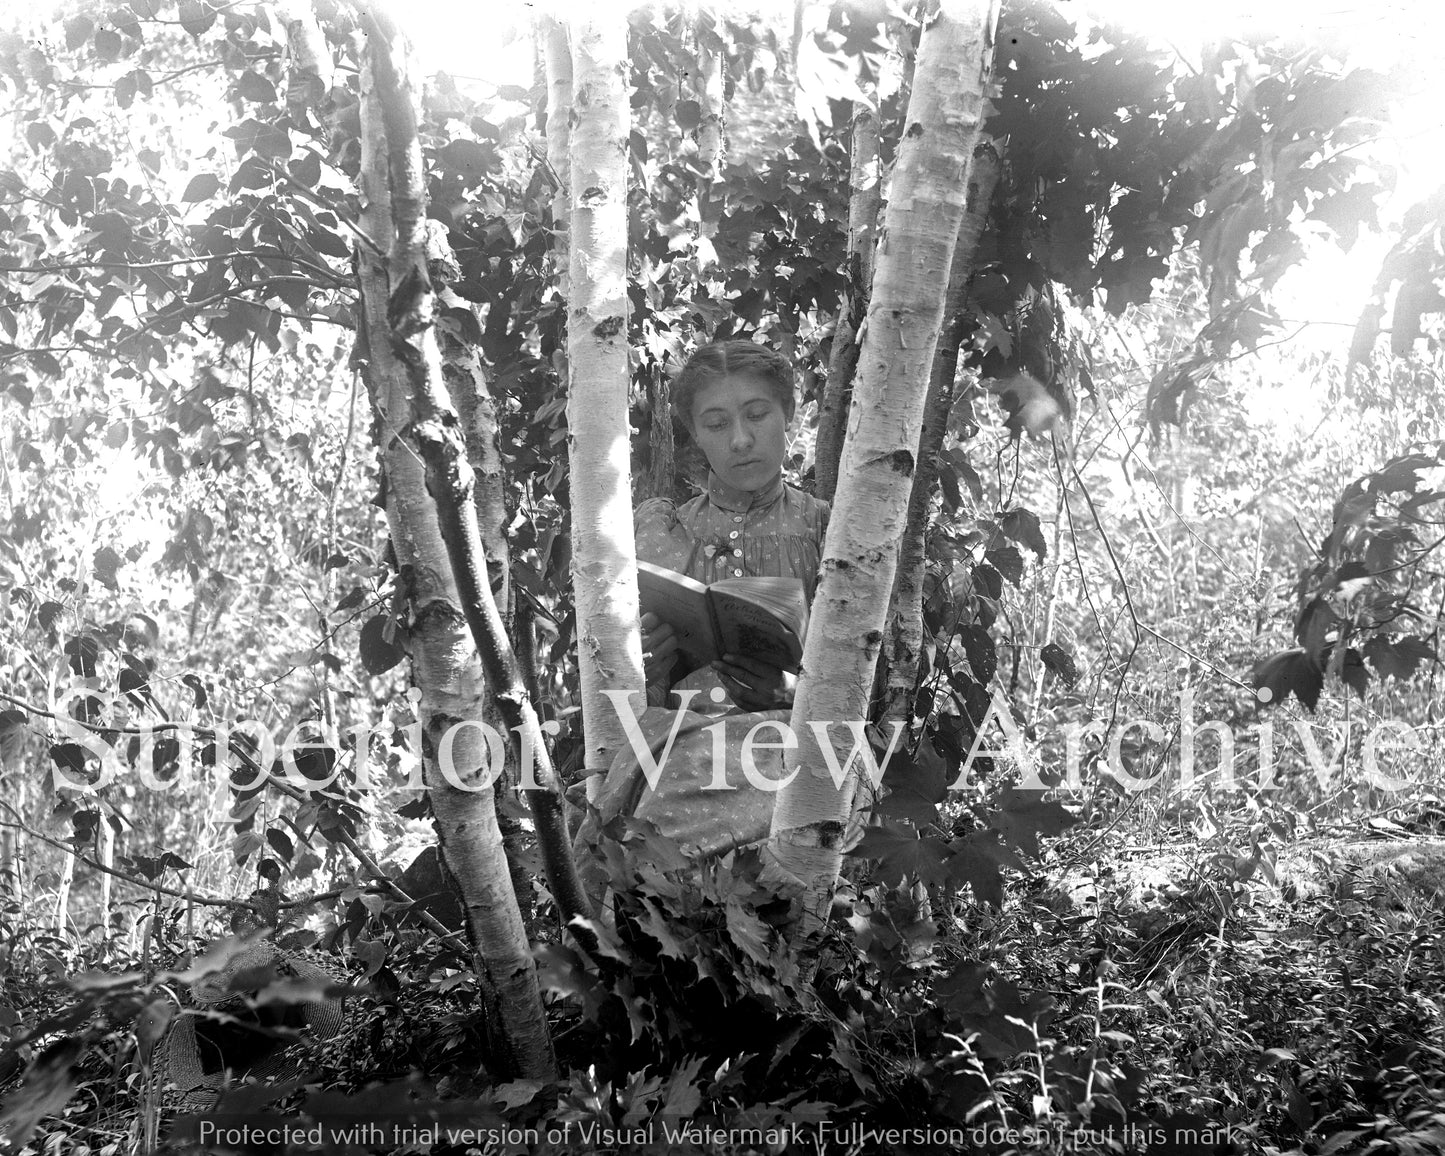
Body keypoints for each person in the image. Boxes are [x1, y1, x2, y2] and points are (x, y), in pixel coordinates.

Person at [576, 339, 831, 864]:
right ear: (694, 434)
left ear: (789, 415)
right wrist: (648, 659)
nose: (741, 440)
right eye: (716, 425)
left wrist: (790, 690)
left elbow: (866, 667)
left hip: (792, 744)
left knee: (665, 851)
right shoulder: (662, 529)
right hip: (674, 736)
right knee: (619, 857)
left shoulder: (828, 528)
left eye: (758, 415)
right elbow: (625, 683)